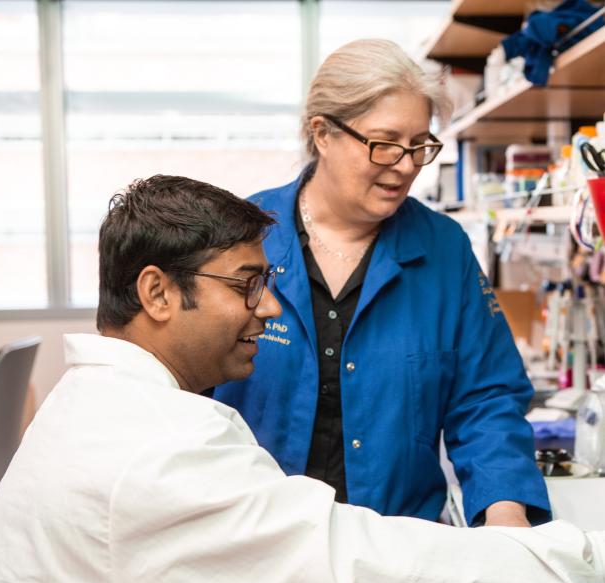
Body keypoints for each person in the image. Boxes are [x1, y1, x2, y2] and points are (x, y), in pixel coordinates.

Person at [0, 174, 604, 583]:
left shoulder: (98, 405)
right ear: (157, 292)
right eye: (247, 286)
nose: (269, 309)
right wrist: (584, 562)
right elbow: (360, 579)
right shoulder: (154, 453)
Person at [214, 39, 549, 528]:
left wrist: (505, 512)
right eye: (386, 143)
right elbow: (187, 386)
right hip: (256, 540)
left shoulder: (443, 250)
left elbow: (486, 398)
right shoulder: (242, 235)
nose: (408, 164)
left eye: (420, 145)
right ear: (323, 133)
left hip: (397, 547)